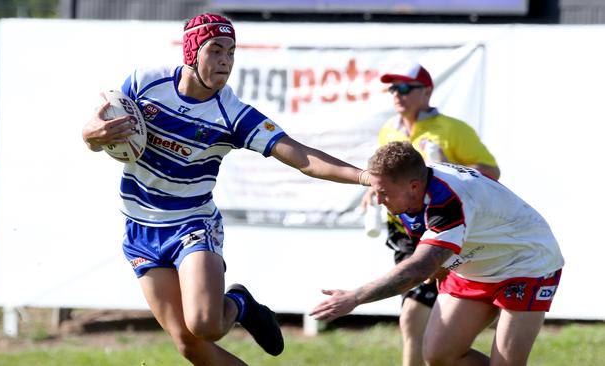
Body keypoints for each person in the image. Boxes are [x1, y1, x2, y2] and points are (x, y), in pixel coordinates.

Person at [81, 13, 370, 366]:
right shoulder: (144, 84)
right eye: (215, 50)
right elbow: (100, 128)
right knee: (189, 346)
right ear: (191, 53)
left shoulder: (231, 114)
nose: (225, 61)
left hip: (192, 225)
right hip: (139, 229)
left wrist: (363, 177)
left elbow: (301, 156)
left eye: (231, 52)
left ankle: (240, 305)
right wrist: (91, 136)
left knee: (206, 324)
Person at [312, 141, 564, 366]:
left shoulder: (446, 202)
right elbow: (311, 163)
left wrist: (355, 298)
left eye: (383, 193)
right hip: (475, 264)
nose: (377, 200)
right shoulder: (405, 185)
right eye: (374, 190)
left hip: (526, 263)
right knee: (439, 355)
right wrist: (273, 140)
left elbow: (417, 270)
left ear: (413, 186)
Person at [362, 61, 500, 366]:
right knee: (413, 319)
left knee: (416, 317)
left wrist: (444, 167)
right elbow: (388, 176)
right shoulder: (390, 129)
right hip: (404, 234)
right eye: (392, 88)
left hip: (444, 229)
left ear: (426, 91)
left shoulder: (452, 129)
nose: (397, 94)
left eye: (405, 88)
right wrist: (374, 189)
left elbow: (491, 172)